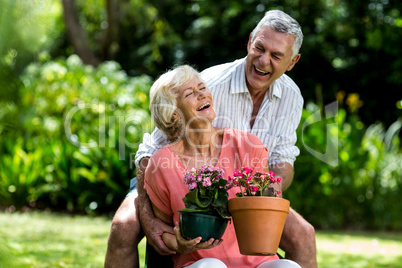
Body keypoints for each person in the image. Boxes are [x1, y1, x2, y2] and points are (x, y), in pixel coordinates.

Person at [105, 9, 317, 268]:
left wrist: (266, 194)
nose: (263, 61)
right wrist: (148, 217)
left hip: (246, 188)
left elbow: (283, 158)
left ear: (292, 62)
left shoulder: (292, 97)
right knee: (124, 226)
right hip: (178, 176)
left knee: (304, 235)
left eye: (275, 56)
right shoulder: (210, 84)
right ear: (250, 41)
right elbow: (150, 150)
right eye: (260, 48)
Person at [145, 64, 301, 268]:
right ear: (173, 113)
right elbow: (163, 228)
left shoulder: (248, 145)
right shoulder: (161, 165)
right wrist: (179, 244)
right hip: (200, 262)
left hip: (256, 261)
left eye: (202, 88)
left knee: (288, 267)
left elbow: (264, 204)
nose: (202, 95)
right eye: (190, 93)